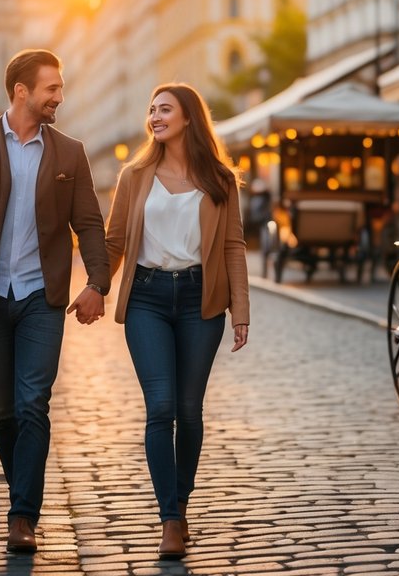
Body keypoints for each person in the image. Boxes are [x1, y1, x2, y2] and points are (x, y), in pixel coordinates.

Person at [0, 48, 110, 555]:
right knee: (1, 410)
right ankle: (23, 493)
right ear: (21, 92)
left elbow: (90, 225)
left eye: (60, 88)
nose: (60, 96)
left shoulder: (70, 153)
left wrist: (97, 283)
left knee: (34, 403)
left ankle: (21, 515)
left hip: (41, 297)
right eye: (52, 88)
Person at [104, 83, 250, 560]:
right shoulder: (135, 175)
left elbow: (232, 246)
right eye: (151, 109)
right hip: (146, 297)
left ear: (189, 117)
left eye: (165, 109)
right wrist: (93, 285)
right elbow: (114, 243)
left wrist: (240, 312)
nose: (155, 116)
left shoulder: (220, 179)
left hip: (198, 301)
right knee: (160, 406)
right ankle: (170, 518)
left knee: (189, 411)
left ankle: (180, 504)